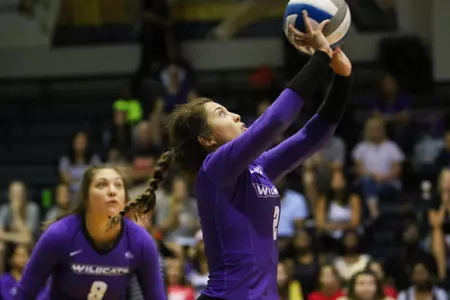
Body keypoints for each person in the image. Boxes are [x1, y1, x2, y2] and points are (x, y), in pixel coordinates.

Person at [109, 11, 353, 300]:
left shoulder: (257, 167)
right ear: (207, 139)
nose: (236, 115)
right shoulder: (215, 168)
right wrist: (320, 56)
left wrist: (342, 78)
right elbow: (274, 122)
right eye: (221, 114)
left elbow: (314, 137)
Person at [15, 166, 165, 299]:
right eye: (102, 185)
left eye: (118, 185)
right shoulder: (59, 235)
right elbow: (25, 293)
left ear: (126, 199)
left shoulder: (140, 242)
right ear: (85, 198)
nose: (112, 191)